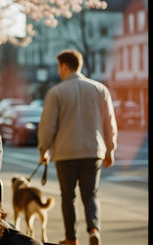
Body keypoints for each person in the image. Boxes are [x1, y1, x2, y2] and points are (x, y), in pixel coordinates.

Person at [37, 50, 118, 245]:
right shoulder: (100, 89)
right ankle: (93, 228)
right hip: (93, 151)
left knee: (68, 197)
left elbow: (48, 126)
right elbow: (109, 123)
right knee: (90, 194)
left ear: (64, 66)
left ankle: (71, 239)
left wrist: (43, 150)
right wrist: (110, 149)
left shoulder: (56, 92)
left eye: (59, 67)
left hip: (66, 153)